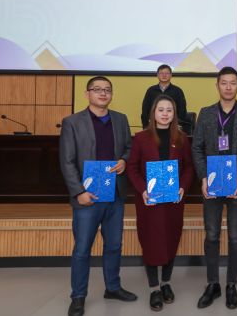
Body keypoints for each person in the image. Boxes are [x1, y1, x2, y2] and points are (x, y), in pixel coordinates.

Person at [59, 76, 137, 316]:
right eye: (97, 89)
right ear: (87, 94)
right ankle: (78, 296)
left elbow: (129, 148)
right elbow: (66, 161)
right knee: (82, 249)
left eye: (107, 90)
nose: (103, 93)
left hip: (114, 194)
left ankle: (112, 287)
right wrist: (79, 192)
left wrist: (124, 161)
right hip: (87, 197)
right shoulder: (72, 122)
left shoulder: (121, 119)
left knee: (114, 245)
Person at [192, 67, 237, 309]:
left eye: (233, 83)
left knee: (235, 237)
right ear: (217, 85)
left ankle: (231, 284)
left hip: (236, 186)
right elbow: (197, 148)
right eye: (224, 83)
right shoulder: (206, 113)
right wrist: (203, 178)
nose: (229, 87)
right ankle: (213, 284)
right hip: (211, 184)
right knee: (211, 235)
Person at [126, 95, 195, 311]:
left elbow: (189, 167)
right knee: (150, 241)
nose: (165, 114)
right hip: (150, 201)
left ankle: (166, 283)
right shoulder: (141, 138)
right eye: (161, 110)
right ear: (153, 113)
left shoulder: (182, 138)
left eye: (169, 110)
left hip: (174, 201)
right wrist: (143, 190)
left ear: (174, 114)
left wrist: (183, 186)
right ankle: (154, 288)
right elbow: (132, 168)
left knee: (171, 239)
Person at [141, 65, 189, 131]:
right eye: (161, 73)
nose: (164, 75)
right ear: (157, 75)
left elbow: (182, 110)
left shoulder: (177, 91)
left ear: (171, 75)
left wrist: (179, 125)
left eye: (167, 73)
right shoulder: (151, 90)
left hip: (173, 127)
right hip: (153, 126)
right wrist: (145, 126)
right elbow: (145, 110)